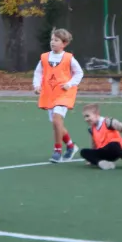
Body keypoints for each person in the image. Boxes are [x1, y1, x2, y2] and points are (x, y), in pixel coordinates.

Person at [33, 28, 83, 163]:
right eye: (52, 40)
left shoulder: (69, 58)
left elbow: (79, 73)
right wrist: (37, 85)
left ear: (64, 43)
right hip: (50, 93)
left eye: (56, 40)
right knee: (57, 123)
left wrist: (70, 83)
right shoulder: (44, 57)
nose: (52, 42)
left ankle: (57, 151)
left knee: (56, 119)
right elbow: (38, 72)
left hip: (64, 94)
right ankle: (71, 146)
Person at [79, 103, 122, 170]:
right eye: (84, 117)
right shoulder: (92, 128)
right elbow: (94, 144)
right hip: (103, 152)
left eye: (87, 116)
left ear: (96, 114)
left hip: (114, 151)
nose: (86, 119)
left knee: (113, 144)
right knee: (83, 152)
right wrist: (91, 157)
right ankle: (102, 163)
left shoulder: (108, 122)